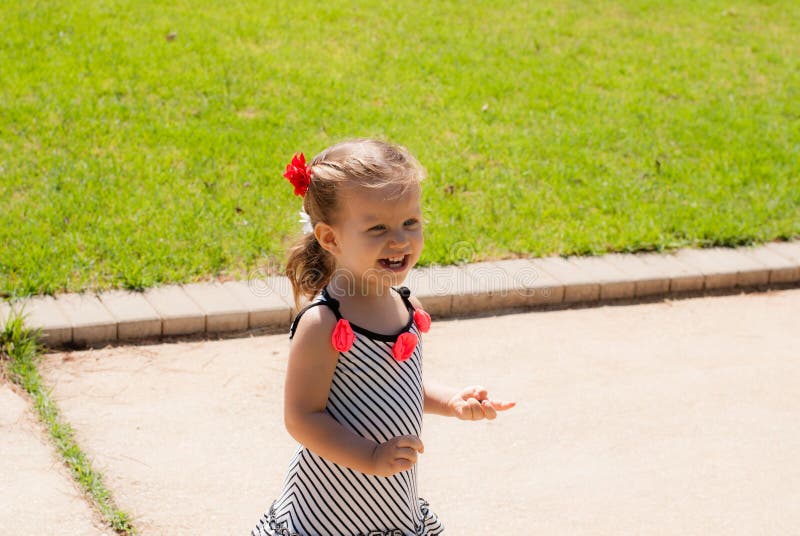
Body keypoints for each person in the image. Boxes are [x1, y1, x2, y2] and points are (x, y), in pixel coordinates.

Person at [252, 138, 515, 536]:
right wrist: (370, 456)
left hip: (391, 506)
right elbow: (301, 417)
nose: (400, 240)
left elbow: (392, 386)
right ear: (330, 238)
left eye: (410, 222)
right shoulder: (324, 322)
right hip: (329, 512)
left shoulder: (405, 306)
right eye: (378, 228)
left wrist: (450, 401)